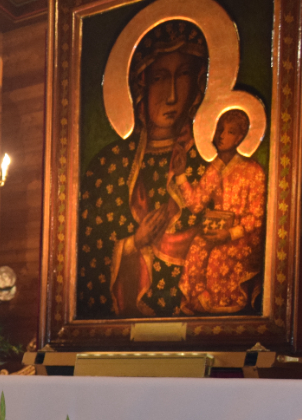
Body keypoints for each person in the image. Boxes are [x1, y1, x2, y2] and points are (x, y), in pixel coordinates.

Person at [76, 20, 210, 318]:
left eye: (183, 75)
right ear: (141, 86)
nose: (172, 95)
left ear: (199, 83)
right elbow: (85, 257)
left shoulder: (207, 165)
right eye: (160, 78)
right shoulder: (107, 167)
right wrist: (134, 243)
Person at [175, 108, 267, 315]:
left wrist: (230, 233)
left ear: (240, 137)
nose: (222, 136)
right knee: (197, 247)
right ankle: (198, 302)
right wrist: (180, 175)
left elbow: (256, 216)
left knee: (219, 255)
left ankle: (220, 303)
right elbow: (196, 204)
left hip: (243, 236)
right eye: (220, 130)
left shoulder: (253, 170)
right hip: (217, 230)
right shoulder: (215, 169)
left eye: (230, 132)